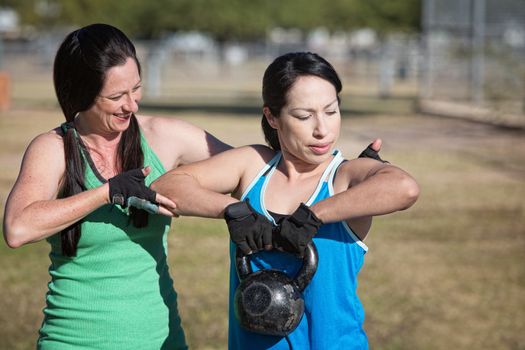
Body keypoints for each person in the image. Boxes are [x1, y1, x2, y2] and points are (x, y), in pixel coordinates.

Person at [152, 52, 420, 349]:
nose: (322, 129)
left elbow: (405, 188)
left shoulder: (343, 178)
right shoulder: (254, 166)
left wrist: (314, 215)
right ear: (272, 117)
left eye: (331, 112)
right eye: (304, 116)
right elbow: (167, 185)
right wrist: (233, 211)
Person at [2, 23, 232, 349]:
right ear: (82, 94)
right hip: (73, 341)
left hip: (162, 339)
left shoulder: (163, 137)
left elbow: (248, 167)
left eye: (136, 88)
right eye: (116, 96)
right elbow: (17, 228)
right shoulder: (54, 147)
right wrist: (106, 192)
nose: (132, 105)